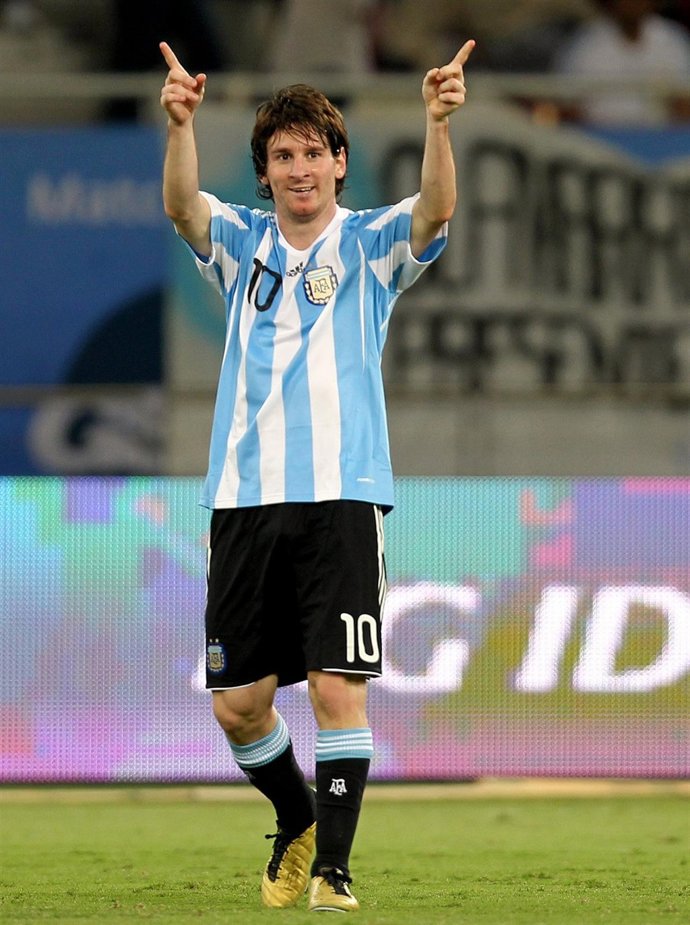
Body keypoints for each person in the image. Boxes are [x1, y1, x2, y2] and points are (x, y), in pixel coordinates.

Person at [159, 35, 474, 913]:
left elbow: (435, 210)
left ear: (340, 162)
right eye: (282, 156)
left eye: (312, 153)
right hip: (242, 498)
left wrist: (437, 122)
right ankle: (297, 817)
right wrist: (180, 125)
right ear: (265, 172)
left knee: (339, 686)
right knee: (237, 704)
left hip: (343, 494)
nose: (299, 169)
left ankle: (334, 869)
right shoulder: (241, 241)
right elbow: (182, 206)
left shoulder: (370, 243)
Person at [553, 0, 690, 124]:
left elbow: (685, 104)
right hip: (596, 137)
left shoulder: (673, 40)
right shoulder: (583, 46)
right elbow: (568, 108)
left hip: (662, 137)